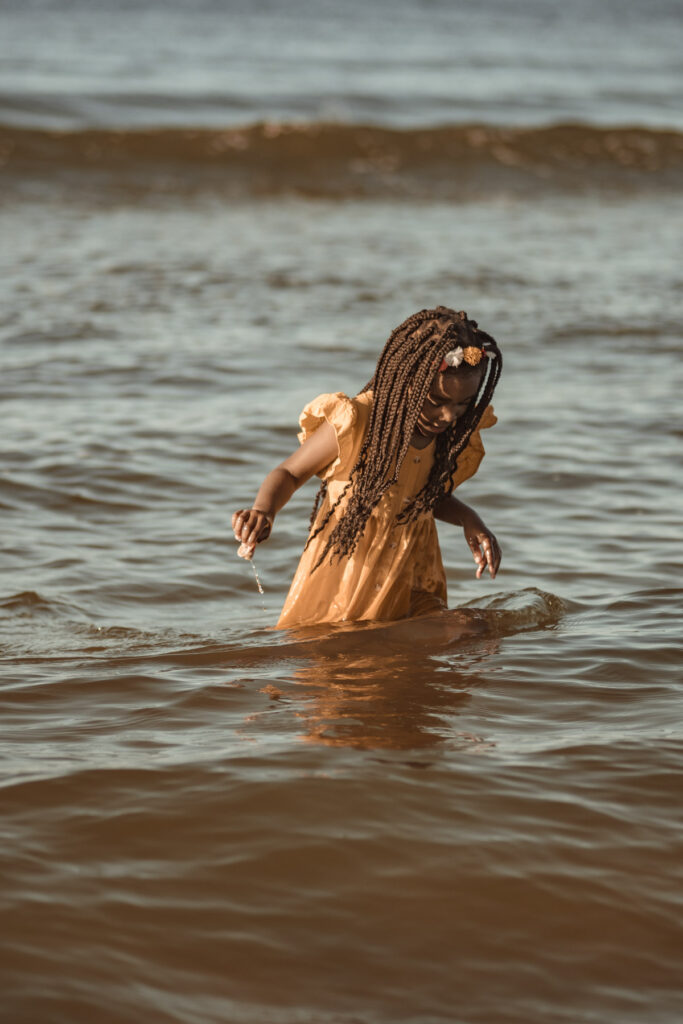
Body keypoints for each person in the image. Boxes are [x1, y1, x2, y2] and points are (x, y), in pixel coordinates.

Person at [232, 306, 503, 629]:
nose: (448, 416)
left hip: (411, 576)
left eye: (461, 404)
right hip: (347, 580)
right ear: (405, 381)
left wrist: (469, 520)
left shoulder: (444, 437)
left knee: (446, 649)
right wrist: (264, 510)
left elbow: (424, 495)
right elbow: (289, 473)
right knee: (342, 660)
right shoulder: (359, 422)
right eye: (436, 402)